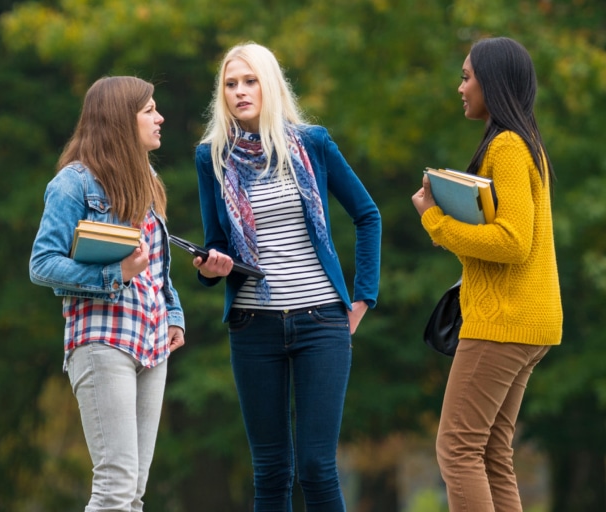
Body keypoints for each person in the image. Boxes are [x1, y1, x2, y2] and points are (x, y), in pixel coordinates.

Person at [192, 42, 381, 511]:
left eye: (250, 81)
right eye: (231, 84)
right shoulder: (210, 157)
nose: (240, 92)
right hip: (253, 326)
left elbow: (367, 215)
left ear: (271, 84)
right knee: (271, 472)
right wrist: (210, 268)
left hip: (322, 322)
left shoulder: (313, 144)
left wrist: (362, 299)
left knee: (317, 467)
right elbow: (216, 242)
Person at [411, 36, 562, 511]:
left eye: (466, 76)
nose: (460, 87)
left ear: (491, 82)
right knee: (493, 454)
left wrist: (434, 218)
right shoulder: (525, 144)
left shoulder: (510, 146)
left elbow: (513, 243)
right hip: (527, 322)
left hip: (502, 322)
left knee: (457, 449)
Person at [29, 75, 186, 512]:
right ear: (121, 119)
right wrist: (114, 272)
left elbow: (155, 265)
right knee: (115, 486)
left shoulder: (149, 181)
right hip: (102, 340)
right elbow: (42, 264)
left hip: (152, 344)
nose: (160, 117)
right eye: (148, 110)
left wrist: (173, 314)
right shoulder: (73, 184)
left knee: (134, 491)